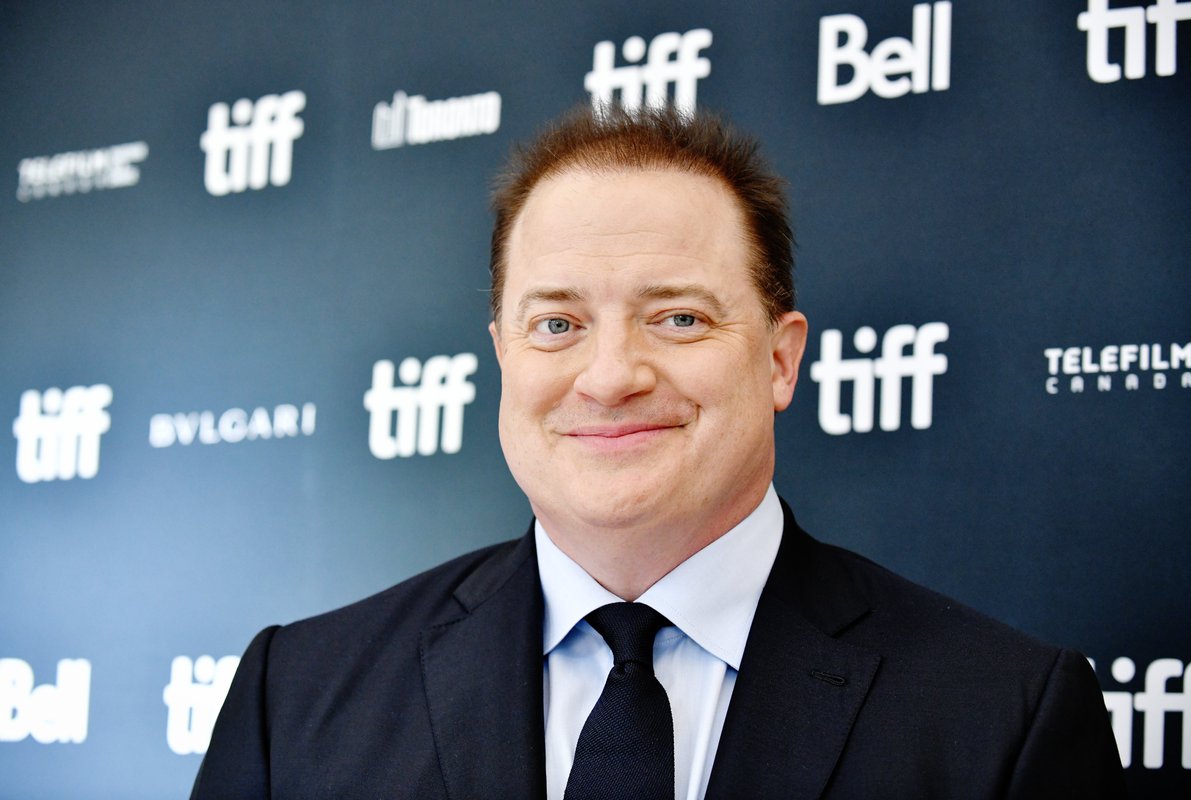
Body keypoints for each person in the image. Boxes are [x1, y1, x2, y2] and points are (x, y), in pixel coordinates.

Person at [192, 105, 1125, 799]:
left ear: (779, 357)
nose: (609, 376)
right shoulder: (296, 696)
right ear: (503, 356)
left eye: (677, 317)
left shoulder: (1005, 718)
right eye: (556, 323)